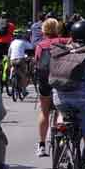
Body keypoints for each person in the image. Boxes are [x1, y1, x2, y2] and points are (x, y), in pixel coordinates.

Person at [36, 19, 85, 169]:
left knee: (63, 114)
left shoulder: (61, 50)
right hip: (83, 102)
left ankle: (61, 139)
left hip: (60, 100)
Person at [32, 17, 68, 157]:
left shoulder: (41, 45)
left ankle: (41, 146)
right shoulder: (65, 42)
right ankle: (61, 140)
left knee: (44, 111)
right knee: (61, 111)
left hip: (45, 80)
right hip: (61, 80)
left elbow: (37, 62)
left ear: (43, 30)